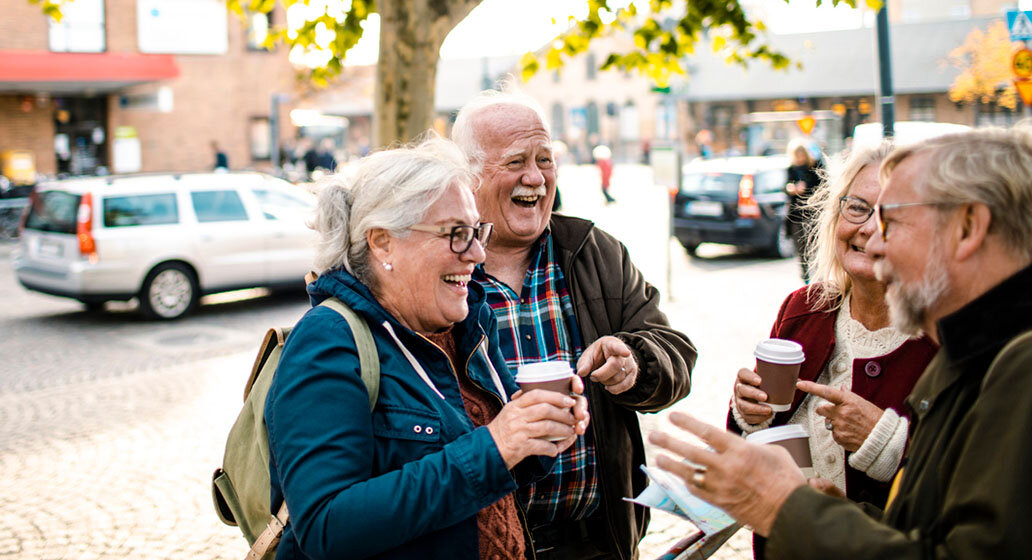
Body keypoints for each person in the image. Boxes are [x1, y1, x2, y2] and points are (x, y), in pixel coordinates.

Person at [651, 126, 1032, 558]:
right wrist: (836, 517)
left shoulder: (1014, 362)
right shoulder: (972, 346)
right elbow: (932, 528)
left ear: (968, 228)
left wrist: (786, 509)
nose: (875, 240)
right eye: (859, 210)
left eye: (893, 219)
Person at [265, 137, 590, 559]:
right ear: (383, 242)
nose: (476, 253)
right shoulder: (329, 340)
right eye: (455, 234)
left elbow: (492, 466)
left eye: (476, 232)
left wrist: (538, 434)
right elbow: (327, 527)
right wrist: (497, 445)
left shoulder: (468, 323)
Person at [453, 89, 698, 560]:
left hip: (595, 541)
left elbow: (675, 353)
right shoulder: (444, 268)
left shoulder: (594, 250)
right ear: (468, 175)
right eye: (515, 161)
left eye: (545, 158)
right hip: (483, 546)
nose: (536, 177)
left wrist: (636, 362)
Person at [727, 142, 938, 556]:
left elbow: (962, 486)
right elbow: (758, 436)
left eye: (892, 216)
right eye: (857, 207)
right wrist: (748, 414)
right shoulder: (803, 308)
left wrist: (885, 441)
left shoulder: (940, 338)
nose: (869, 230)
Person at [785, 139, 823, 283]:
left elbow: (822, 187)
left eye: (802, 154)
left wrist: (805, 188)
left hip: (812, 213)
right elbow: (785, 186)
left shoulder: (814, 167)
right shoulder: (791, 169)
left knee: (814, 246)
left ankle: (818, 276)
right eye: (797, 155)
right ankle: (805, 278)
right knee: (800, 248)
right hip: (796, 215)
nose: (800, 158)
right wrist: (792, 189)